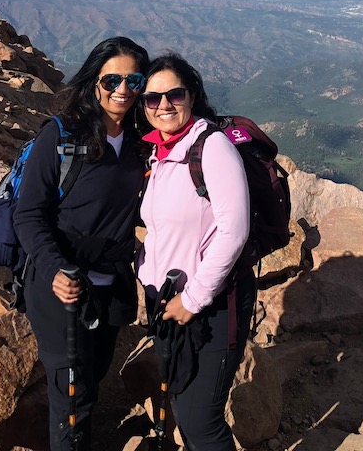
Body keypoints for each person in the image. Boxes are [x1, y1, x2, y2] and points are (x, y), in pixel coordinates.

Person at [13, 36, 149, 451]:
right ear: (95, 82)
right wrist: (55, 269)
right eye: (112, 80)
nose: (122, 90)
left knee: (91, 381)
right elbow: (28, 214)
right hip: (62, 285)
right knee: (70, 399)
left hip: (110, 283)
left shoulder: (143, 140)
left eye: (134, 80)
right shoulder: (61, 137)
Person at [137, 52, 254, 451]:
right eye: (153, 98)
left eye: (174, 94)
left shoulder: (212, 147)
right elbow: (161, 229)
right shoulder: (162, 151)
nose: (164, 105)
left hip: (213, 305)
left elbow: (234, 231)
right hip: (169, 303)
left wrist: (194, 298)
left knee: (200, 421)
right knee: (183, 407)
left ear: (192, 95)